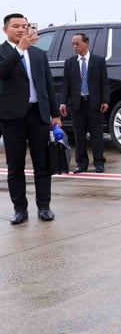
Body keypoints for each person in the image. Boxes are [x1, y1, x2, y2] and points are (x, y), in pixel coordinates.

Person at [1, 14, 61, 224]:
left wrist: (54, 114)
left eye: (25, 26)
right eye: (16, 26)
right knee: (15, 166)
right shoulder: (3, 53)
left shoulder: (38, 54)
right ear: (5, 29)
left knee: (42, 164)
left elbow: (48, 85)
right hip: (12, 118)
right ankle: (20, 209)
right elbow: (3, 71)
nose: (21, 30)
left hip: (38, 114)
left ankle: (44, 207)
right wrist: (19, 50)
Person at [59, 32, 110, 173]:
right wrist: (63, 102)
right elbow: (66, 85)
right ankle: (81, 163)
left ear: (86, 43)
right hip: (77, 104)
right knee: (79, 135)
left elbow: (104, 83)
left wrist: (105, 100)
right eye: (73, 44)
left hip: (94, 103)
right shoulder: (70, 63)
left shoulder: (98, 61)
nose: (75, 47)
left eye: (77, 43)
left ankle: (99, 162)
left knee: (96, 135)